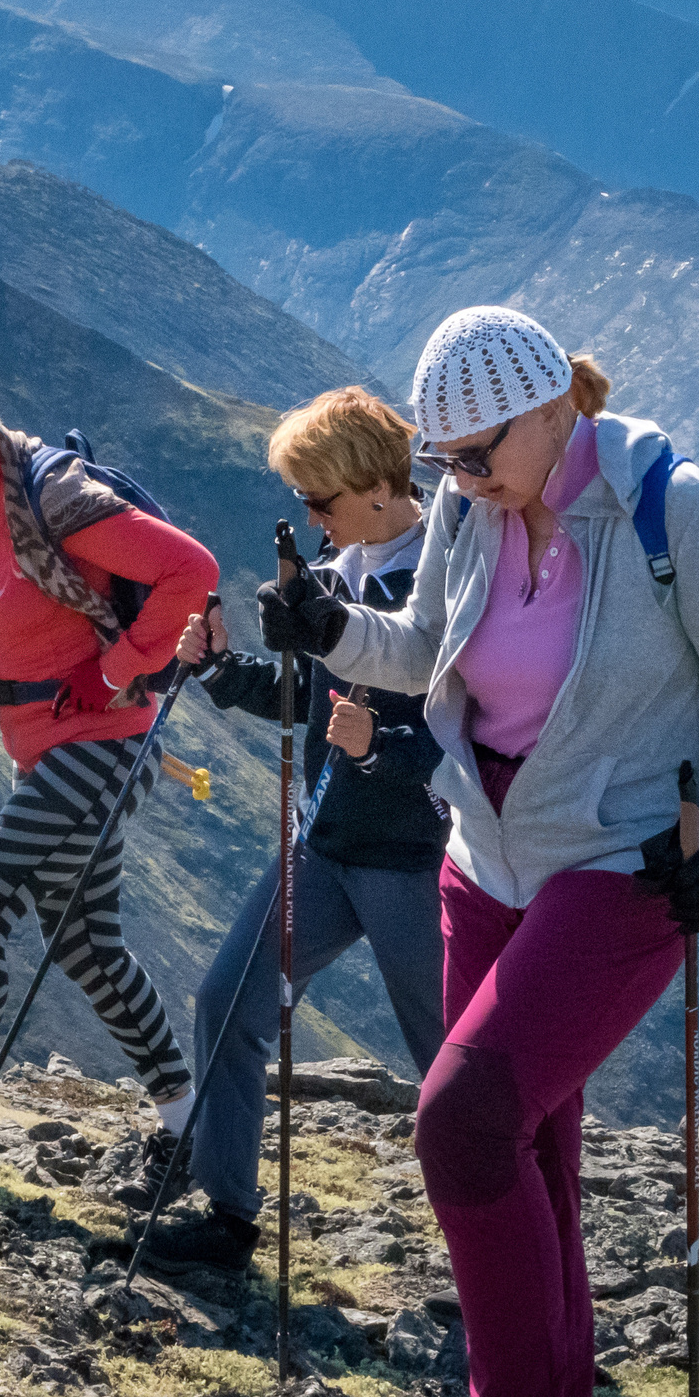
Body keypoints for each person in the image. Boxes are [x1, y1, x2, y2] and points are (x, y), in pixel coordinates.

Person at [261, 307, 699, 1397]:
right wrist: (329, 632)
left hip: (621, 865)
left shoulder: (673, 509)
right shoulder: (469, 510)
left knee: (461, 1123)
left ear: (554, 409)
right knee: (530, 1153)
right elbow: (422, 651)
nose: (459, 478)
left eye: (478, 451)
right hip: (482, 856)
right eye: (443, 459)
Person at [0, 354, 219, 1174]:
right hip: (52, 751)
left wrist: (116, 670)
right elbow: (16, 614)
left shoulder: (53, 494)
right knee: (86, 946)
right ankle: (188, 1131)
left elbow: (191, 571)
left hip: (102, 747)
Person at [127, 387, 450, 1270]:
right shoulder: (336, 573)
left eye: (319, 497)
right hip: (326, 844)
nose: (309, 516)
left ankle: (505, 1271)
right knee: (226, 1004)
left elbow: (486, 726)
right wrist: (219, 668)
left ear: (377, 487)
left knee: (455, 1066)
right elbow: (307, 700)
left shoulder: (449, 576)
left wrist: (381, 747)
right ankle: (227, 1215)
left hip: (420, 863)